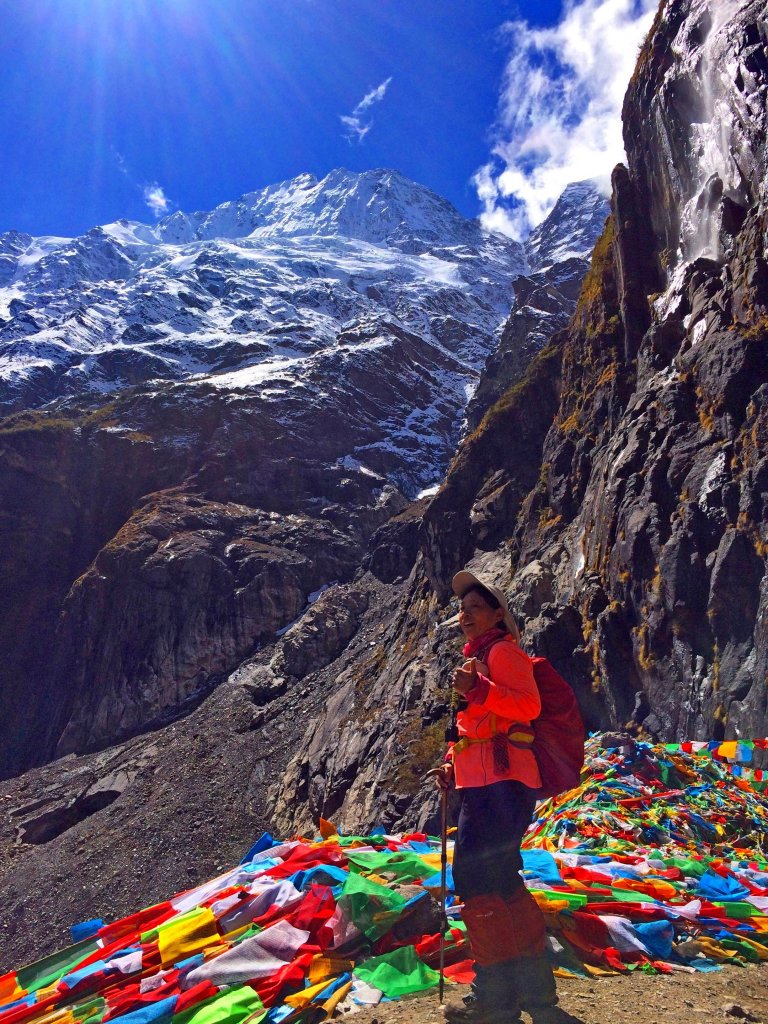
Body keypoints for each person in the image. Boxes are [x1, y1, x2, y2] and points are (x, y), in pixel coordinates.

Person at [434, 570, 577, 1024]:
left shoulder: (503, 653)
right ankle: (531, 993)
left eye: (475, 608)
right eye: (463, 609)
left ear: (498, 614)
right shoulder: (479, 658)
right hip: (486, 783)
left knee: (476, 879)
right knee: (500, 880)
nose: (465, 616)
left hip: (502, 783)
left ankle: (495, 998)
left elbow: (527, 707)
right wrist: (452, 766)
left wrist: (478, 689)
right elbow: (478, 728)